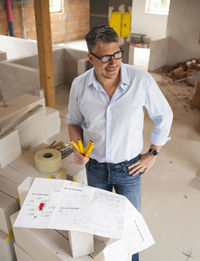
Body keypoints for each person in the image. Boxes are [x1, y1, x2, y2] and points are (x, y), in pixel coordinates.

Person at [67, 25, 173, 261]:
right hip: (94, 168)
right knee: (103, 225)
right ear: (90, 57)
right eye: (105, 57)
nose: (113, 63)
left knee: (130, 229)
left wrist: (152, 153)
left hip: (129, 169)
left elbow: (164, 116)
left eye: (117, 54)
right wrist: (77, 147)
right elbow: (74, 123)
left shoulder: (141, 80)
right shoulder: (79, 86)